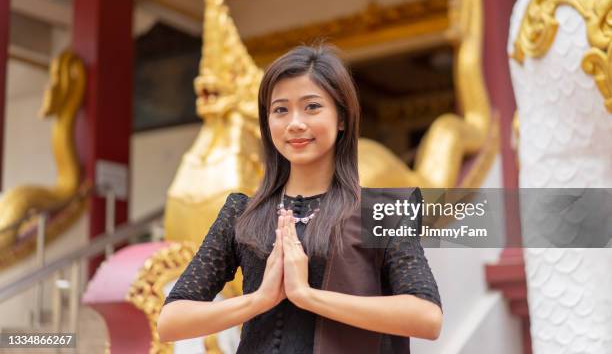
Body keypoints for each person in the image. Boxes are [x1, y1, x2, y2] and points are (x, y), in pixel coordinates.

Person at [157, 44, 442, 353]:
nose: (295, 123)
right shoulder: (241, 213)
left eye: (312, 107)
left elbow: (426, 316)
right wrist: (259, 299)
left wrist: (307, 296)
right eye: (280, 109)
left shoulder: (383, 211)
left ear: (342, 117)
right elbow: (172, 320)